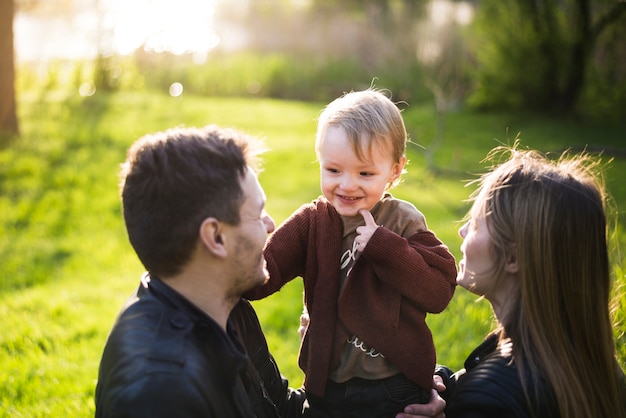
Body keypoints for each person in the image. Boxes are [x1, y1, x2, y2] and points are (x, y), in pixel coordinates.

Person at [245, 88, 458, 417]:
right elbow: (264, 273)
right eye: (333, 170)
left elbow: (439, 291)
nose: (346, 185)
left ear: (395, 170)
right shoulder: (313, 222)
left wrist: (385, 248)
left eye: (365, 173)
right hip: (328, 386)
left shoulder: (403, 221)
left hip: (394, 384)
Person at [95, 125, 308, 417]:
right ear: (216, 237)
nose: (271, 225)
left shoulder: (228, 308)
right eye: (258, 214)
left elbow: (283, 410)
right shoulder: (161, 392)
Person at [398, 145, 626, 418]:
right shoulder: (596, 364)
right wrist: (444, 385)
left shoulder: (488, 399)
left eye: (476, 223)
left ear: (513, 257)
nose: (461, 231)